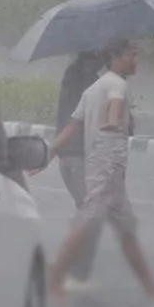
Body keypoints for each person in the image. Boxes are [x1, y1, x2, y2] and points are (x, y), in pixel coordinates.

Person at [36, 38, 154, 301]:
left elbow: (73, 124)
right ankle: (55, 278)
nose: (136, 61)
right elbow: (112, 110)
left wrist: (49, 152)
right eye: (132, 55)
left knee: (126, 229)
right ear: (117, 57)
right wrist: (114, 121)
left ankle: (149, 285)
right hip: (106, 168)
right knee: (87, 223)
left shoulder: (93, 88)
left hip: (108, 170)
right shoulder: (117, 85)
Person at [54, 50, 107, 290]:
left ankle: (74, 270)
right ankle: (74, 272)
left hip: (70, 156)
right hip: (79, 156)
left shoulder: (74, 73)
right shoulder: (89, 80)